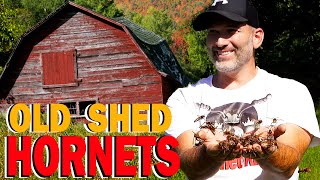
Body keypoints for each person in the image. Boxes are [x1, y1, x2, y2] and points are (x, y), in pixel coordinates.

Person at [165, 0, 320, 179]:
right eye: (213, 32)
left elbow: (288, 165)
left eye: (231, 30)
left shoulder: (291, 92)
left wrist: (269, 150)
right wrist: (208, 154)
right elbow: (189, 166)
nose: (220, 42)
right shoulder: (184, 99)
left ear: (257, 37)